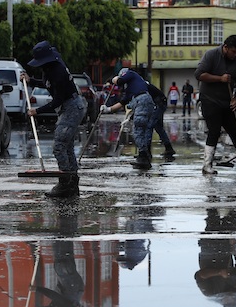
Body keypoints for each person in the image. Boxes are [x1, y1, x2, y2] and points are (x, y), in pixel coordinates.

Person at [21, 41, 86, 198]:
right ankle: (72, 183)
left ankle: (65, 183)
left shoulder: (58, 72)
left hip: (71, 108)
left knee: (59, 145)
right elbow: (47, 84)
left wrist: (37, 111)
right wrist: (31, 80)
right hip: (69, 107)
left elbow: (57, 100)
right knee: (67, 146)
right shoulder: (51, 67)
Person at [194, 34, 236, 176]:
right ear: (225, 47)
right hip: (210, 100)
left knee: (235, 131)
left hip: (227, 101)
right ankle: (207, 165)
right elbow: (199, 74)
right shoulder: (211, 55)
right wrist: (220, 78)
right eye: (233, 52)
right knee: (214, 131)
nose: (235, 55)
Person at [101, 68, 155, 169]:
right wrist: (107, 109)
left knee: (137, 131)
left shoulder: (131, 74)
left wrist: (114, 79)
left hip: (142, 102)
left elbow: (120, 81)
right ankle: (144, 156)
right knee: (142, 131)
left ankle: (143, 157)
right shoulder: (132, 88)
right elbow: (122, 103)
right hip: (147, 103)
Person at [146, 81, 176, 158]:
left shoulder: (139, 85)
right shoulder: (142, 83)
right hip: (160, 103)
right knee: (158, 127)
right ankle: (168, 148)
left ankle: (146, 152)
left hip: (158, 104)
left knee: (149, 126)